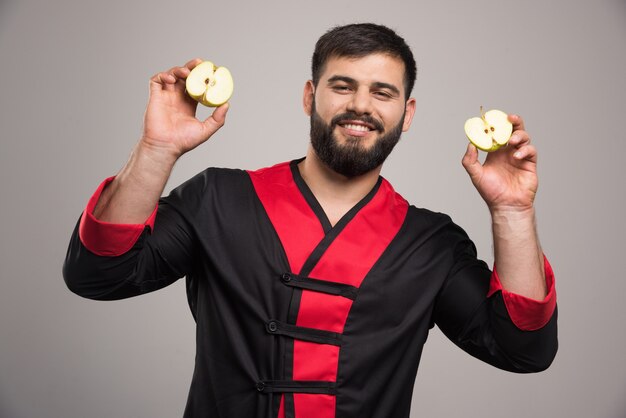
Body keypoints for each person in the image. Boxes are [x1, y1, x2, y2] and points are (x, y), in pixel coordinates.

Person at [63, 23, 557, 418]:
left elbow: (523, 349)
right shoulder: (219, 198)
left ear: (406, 114)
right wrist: (157, 149)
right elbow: (98, 274)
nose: (360, 105)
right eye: (342, 86)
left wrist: (512, 211)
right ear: (309, 96)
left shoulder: (432, 245)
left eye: (382, 93)